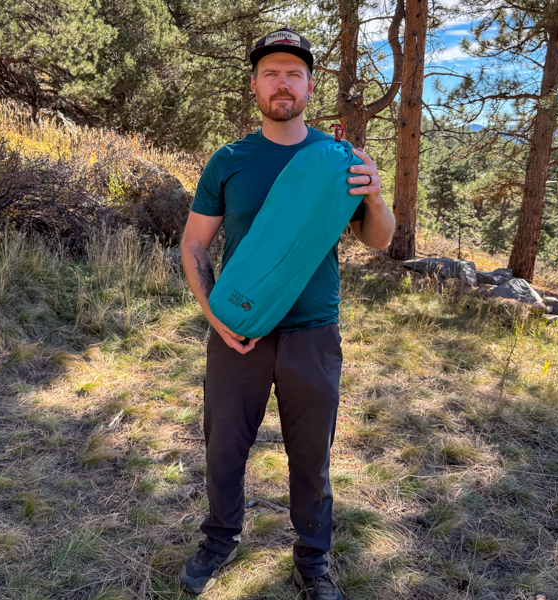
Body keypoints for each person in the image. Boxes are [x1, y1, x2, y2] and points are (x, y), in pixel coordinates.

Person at [178, 27, 396, 600]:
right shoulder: (229, 160)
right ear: (254, 85)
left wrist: (375, 196)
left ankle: (313, 561)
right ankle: (219, 539)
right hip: (238, 330)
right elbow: (195, 243)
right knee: (224, 445)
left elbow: (379, 240)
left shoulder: (336, 161)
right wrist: (215, 316)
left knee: (311, 455)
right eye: (271, 73)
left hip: (314, 333)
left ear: (309, 86)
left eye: (294, 74)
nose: (283, 83)